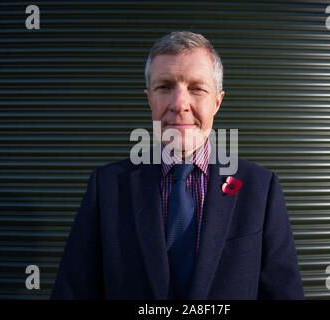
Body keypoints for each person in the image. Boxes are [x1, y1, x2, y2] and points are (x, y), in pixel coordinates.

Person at [51, 31, 304, 300]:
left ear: (217, 101)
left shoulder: (261, 189)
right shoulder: (107, 187)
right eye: (164, 87)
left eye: (197, 88)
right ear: (149, 98)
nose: (179, 104)